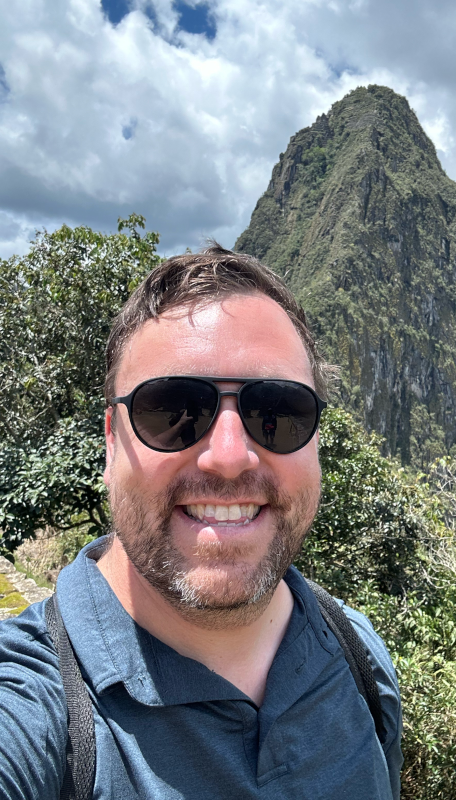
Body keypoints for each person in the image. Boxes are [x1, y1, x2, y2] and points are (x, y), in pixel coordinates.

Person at [0, 245, 402, 799]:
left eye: (278, 412)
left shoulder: (359, 658)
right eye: (171, 409)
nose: (230, 455)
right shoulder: (35, 705)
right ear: (111, 441)